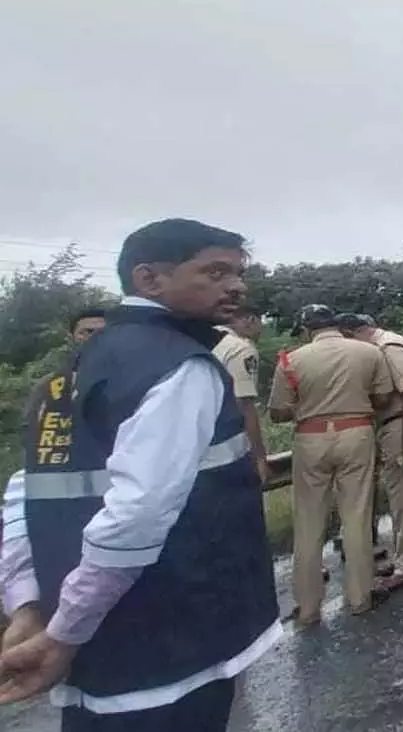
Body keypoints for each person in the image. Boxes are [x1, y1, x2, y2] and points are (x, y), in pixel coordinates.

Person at [0, 218, 279, 729]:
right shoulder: (182, 367)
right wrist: (64, 633)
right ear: (149, 279)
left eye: (239, 273)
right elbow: (137, 517)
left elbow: (27, 489)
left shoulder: (75, 370)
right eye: (215, 272)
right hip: (173, 629)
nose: (236, 286)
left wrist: (30, 605)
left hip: (100, 643)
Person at [267, 304, 394, 626]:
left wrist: (307, 405)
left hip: (310, 438)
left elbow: (278, 412)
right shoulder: (368, 352)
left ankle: (308, 608)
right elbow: (382, 398)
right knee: (356, 515)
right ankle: (360, 597)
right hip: (357, 432)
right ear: (337, 324)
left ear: (307, 329)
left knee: (309, 523)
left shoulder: (291, 360)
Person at [336, 315, 403, 593]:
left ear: (352, 333)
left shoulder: (389, 347)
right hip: (401, 422)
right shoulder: (383, 346)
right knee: (400, 494)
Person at [17, 309, 108, 439]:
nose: (94, 337)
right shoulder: (50, 384)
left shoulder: (131, 380)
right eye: (87, 332)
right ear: (72, 337)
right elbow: (30, 428)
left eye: (102, 332)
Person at [213, 304, 271, 482]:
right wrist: (259, 457)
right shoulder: (240, 348)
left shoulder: (199, 340)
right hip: (227, 450)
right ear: (251, 320)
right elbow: (244, 404)